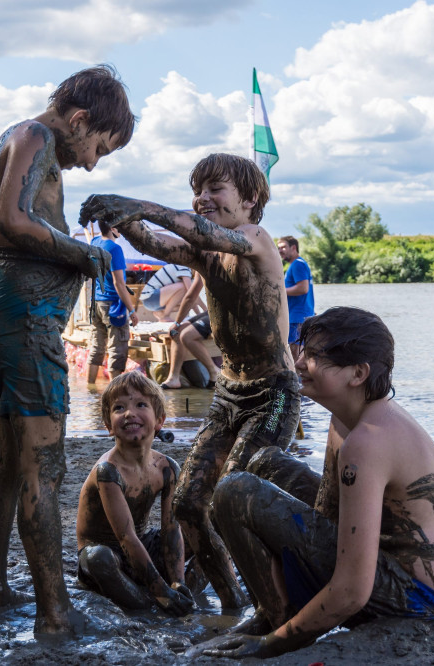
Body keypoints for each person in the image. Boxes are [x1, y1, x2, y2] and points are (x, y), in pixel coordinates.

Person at [78, 153, 300, 609]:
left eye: (215, 188)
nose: (203, 197)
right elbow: (157, 243)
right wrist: (114, 217)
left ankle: (267, 603)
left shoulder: (254, 238)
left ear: (251, 198)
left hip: (273, 393)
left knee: (232, 498)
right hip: (229, 394)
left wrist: (137, 203)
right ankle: (229, 604)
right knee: (190, 504)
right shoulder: (207, 251)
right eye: (198, 189)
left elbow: (198, 230)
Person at [0, 64, 136, 636]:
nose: (91, 163)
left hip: (3, 308)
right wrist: (83, 253)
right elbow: (10, 219)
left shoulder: (11, 141)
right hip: (24, 316)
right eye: (97, 148)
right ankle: (55, 615)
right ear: (79, 119)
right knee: (45, 465)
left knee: (12, 460)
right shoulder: (36, 136)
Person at [201, 307, 434, 658]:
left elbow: (353, 591)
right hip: (387, 561)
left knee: (235, 491)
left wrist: (274, 644)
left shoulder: (369, 441)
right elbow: (327, 512)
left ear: (358, 373)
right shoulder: (346, 419)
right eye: (302, 351)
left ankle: (279, 624)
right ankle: (273, 609)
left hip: (413, 597)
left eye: (313, 357)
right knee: (264, 463)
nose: (297, 363)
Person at [75, 372, 194, 616]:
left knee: (199, 533)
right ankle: (146, 604)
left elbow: (171, 529)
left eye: (141, 404)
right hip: (108, 556)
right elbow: (125, 537)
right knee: (98, 558)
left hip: (142, 547)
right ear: (108, 426)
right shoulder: (108, 471)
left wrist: (176, 582)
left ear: (159, 420)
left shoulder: (167, 467)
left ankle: (184, 593)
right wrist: (160, 591)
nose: (129, 413)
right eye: (119, 408)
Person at [87, 225, 139, 383]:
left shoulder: (95, 242)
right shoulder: (115, 249)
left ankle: (91, 389)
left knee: (97, 347)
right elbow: (119, 284)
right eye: (120, 226)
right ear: (112, 228)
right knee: (117, 351)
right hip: (113, 305)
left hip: (97, 302)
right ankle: (116, 394)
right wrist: (132, 310)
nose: (122, 229)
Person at [160, 273, 220, 390]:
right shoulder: (199, 264)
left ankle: (214, 372)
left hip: (228, 311)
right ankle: (174, 378)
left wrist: (177, 322)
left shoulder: (208, 258)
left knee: (187, 336)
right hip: (213, 310)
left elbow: (191, 296)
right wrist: (178, 324)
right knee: (177, 331)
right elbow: (193, 297)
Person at [277, 236, 315, 359]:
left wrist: (279, 290)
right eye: (278, 248)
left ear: (293, 248)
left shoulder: (298, 264)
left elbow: (303, 288)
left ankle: (303, 378)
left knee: (298, 354)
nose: (280, 251)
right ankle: (301, 378)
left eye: (283, 247)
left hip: (298, 317)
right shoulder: (295, 265)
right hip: (297, 316)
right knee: (297, 353)